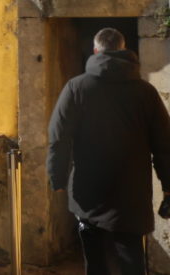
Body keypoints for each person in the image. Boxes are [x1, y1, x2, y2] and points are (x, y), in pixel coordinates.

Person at [48, 28, 170, 275]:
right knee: (131, 260)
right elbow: (164, 144)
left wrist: (57, 177)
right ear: (123, 50)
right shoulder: (146, 93)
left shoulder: (76, 88)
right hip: (132, 192)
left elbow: (58, 138)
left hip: (88, 191)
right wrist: (168, 186)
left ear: (95, 51)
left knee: (95, 263)